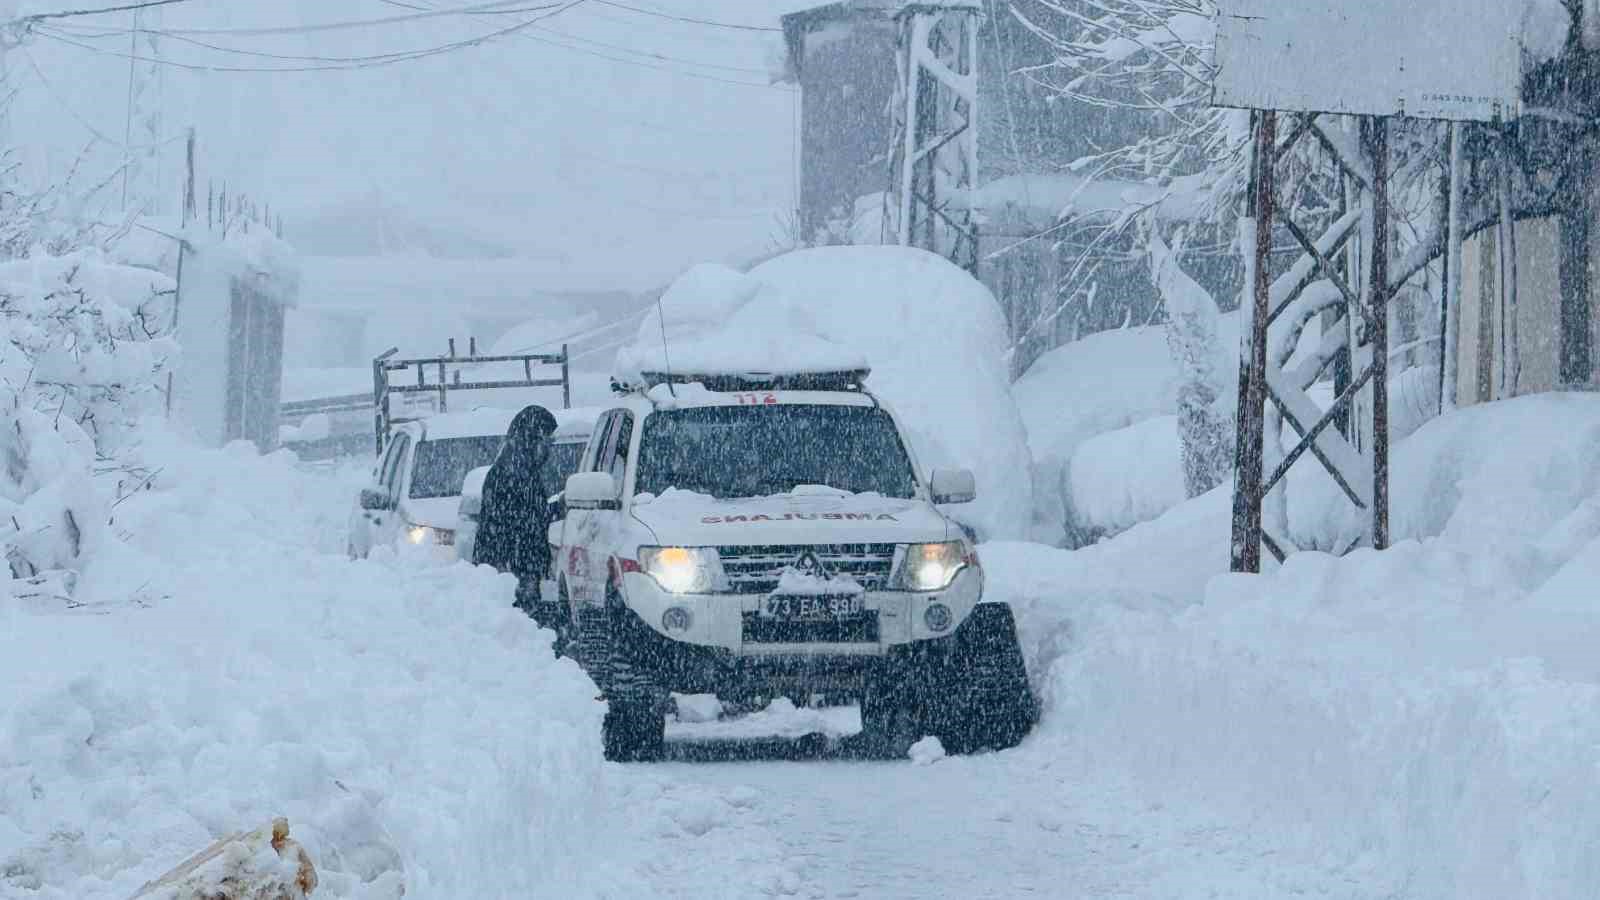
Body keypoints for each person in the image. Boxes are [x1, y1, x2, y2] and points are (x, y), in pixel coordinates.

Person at [473, 404, 561, 620]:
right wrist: (557, 509)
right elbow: (527, 519)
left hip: (513, 565)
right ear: (535, 437)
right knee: (517, 625)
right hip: (512, 568)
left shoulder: (516, 465)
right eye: (548, 441)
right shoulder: (515, 472)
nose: (549, 449)